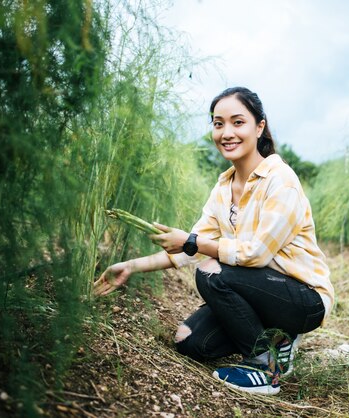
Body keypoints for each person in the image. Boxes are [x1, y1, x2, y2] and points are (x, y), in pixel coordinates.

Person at [94, 87, 334, 395]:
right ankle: (277, 339)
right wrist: (128, 266)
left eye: (237, 122)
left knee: (209, 270)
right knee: (188, 341)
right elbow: (188, 248)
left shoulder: (280, 179)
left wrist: (193, 242)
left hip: (302, 299)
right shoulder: (223, 186)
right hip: (257, 295)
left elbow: (255, 255)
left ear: (259, 127)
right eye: (218, 123)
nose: (226, 132)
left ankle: (265, 366)